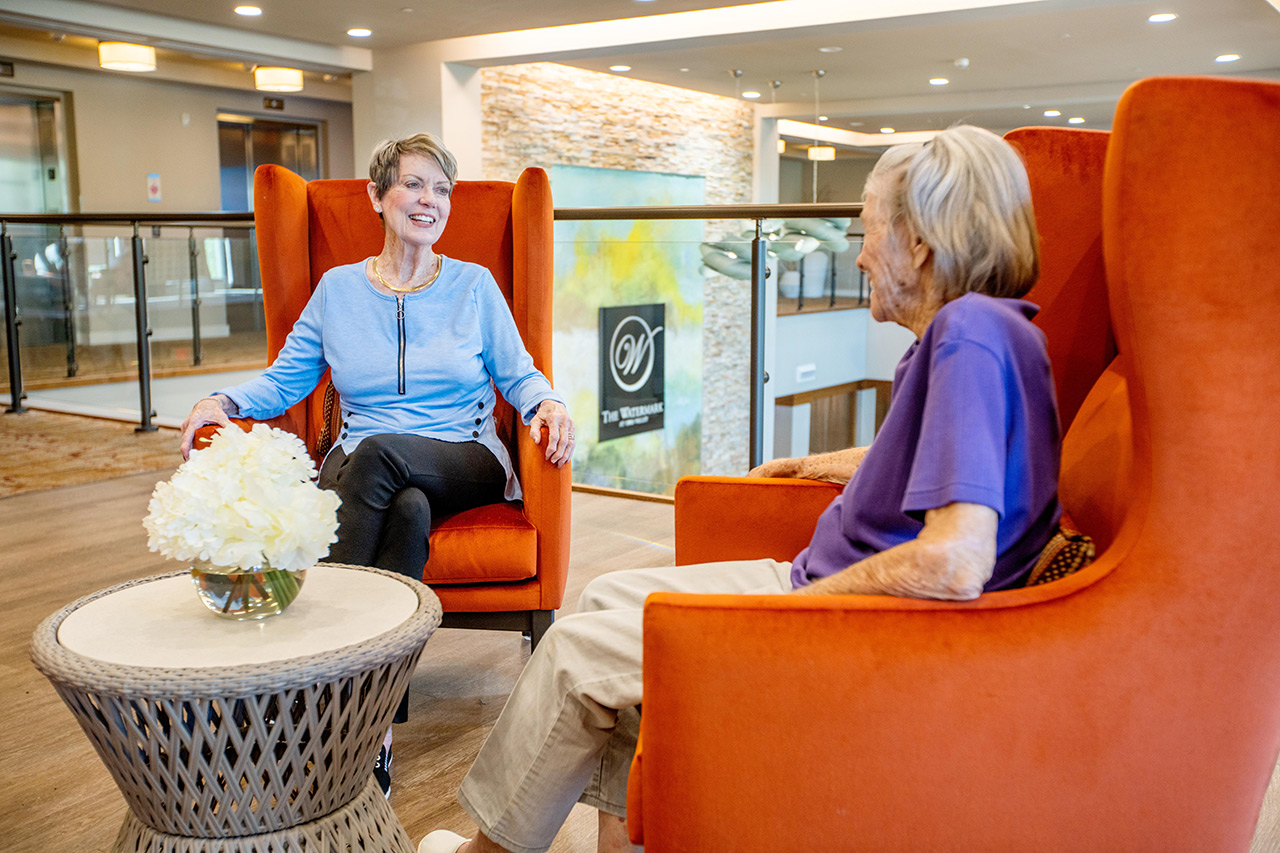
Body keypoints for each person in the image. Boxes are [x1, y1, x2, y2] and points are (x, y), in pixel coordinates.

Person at [418, 123, 1060, 853]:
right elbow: (919, 458)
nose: (857, 254)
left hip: (838, 615)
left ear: (919, 244)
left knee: (572, 653)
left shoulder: (971, 335)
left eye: (868, 231)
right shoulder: (971, 333)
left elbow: (956, 557)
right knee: (598, 603)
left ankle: (488, 851)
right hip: (812, 585)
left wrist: (789, 616)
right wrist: (803, 467)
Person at [178, 132, 575, 798]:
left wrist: (550, 404)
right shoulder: (337, 291)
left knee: (382, 454)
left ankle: (300, 694)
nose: (430, 200)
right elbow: (285, 381)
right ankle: (372, 737)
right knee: (406, 508)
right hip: (367, 470)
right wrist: (223, 398)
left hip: (462, 454)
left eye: (442, 189)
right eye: (415, 184)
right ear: (377, 195)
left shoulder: (473, 286)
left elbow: (520, 373)